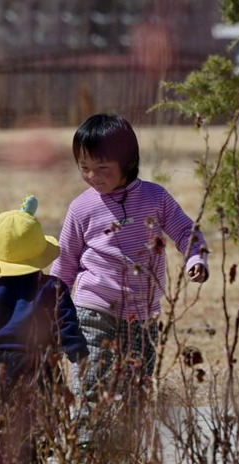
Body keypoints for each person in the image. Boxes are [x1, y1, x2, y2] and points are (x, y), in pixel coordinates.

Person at [50, 113, 209, 403]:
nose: (92, 176)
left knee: (137, 394)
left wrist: (195, 259)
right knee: (92, 388)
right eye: (84, 167)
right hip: (93, 310)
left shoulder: (154, 197)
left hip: (143, 317)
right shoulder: (81, 208)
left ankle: (128, 446)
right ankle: (86, 446)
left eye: (102, 168)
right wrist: (53, 306)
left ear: (128, 162)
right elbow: (66, 262)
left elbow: (186, 230)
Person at [0, 195, 88, 464]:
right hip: (38, 363)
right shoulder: (53, 287)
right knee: (41, 417)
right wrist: (76, 351)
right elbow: (67, 322)